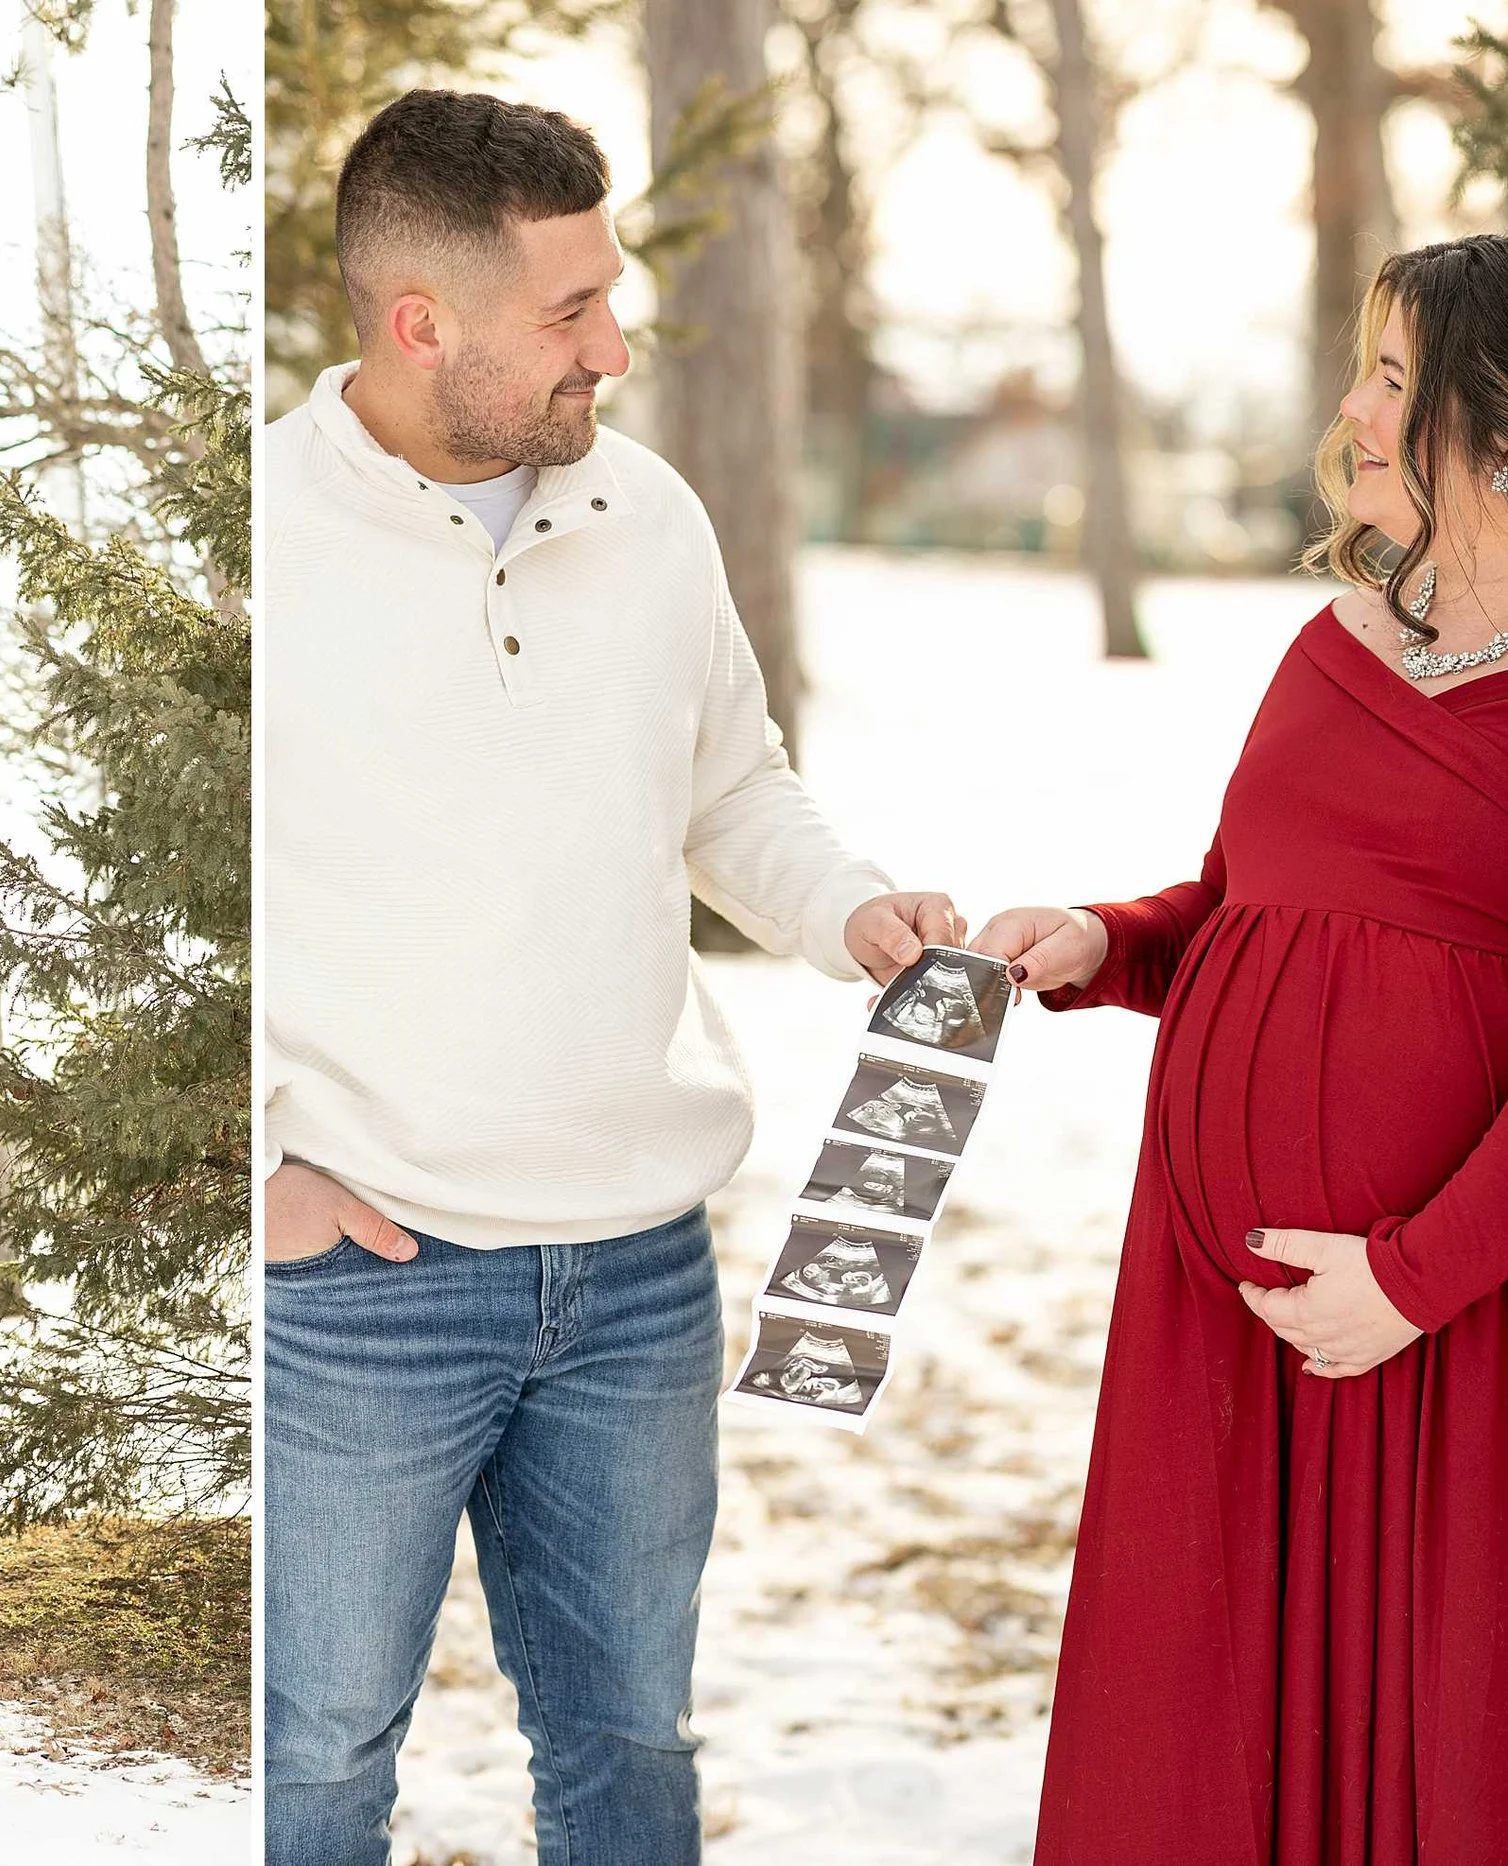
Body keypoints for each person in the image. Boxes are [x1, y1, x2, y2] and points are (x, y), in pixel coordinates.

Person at [263, 88, 961, 1866]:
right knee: (317, 1766)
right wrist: (253, 1162)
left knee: (629, 1747)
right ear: (422, 323)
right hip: (362, 1284)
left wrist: (851, 914)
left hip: (639, 1275)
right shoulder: (260, 537)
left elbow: (730, 788)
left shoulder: (647, 514)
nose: (615, 348)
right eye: (571, 312)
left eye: (611, 295)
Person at [979, 235, 1508, 1862]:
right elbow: (1246, 897)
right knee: (1210, 1744)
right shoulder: (1343, 636)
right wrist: (1106, 940)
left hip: (1440, 1335)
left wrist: (1411, 1280)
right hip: (1222, 1321)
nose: (1353, 412)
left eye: (1396, 379)